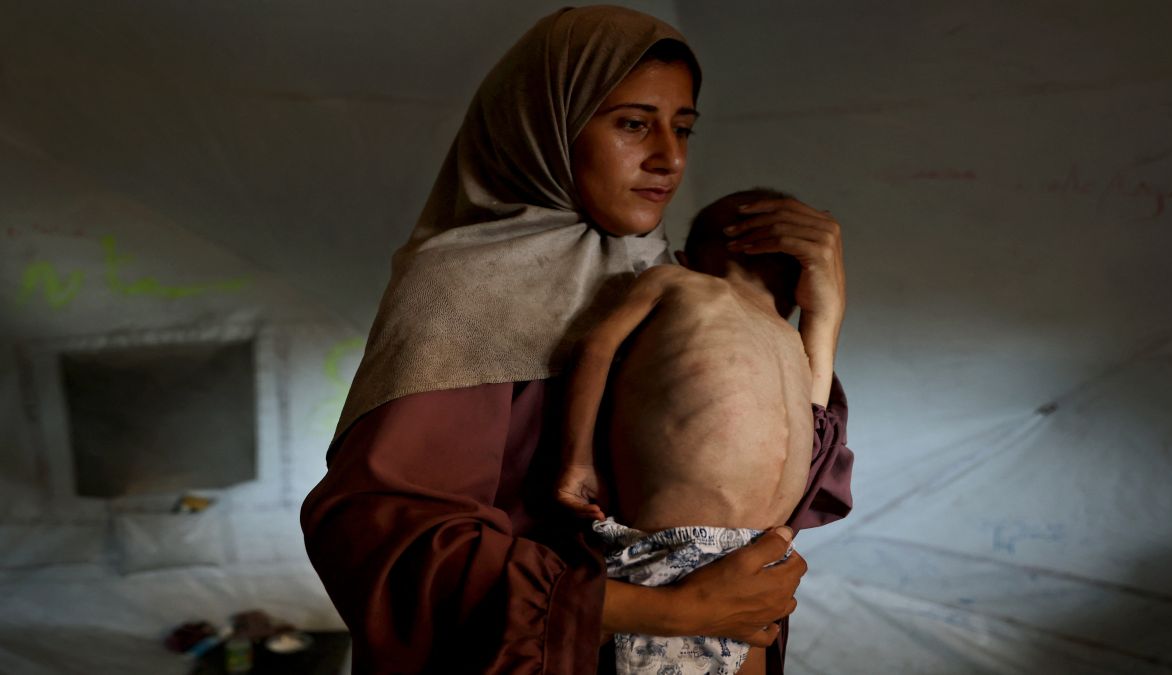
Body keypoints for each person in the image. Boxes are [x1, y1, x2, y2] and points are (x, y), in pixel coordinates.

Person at [299, 6, 853, 674]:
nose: (668, 158)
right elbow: (386, 543)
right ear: (546, 125)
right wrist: (671, 612)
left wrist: (822, 318)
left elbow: (775, 493)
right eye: (631, 123)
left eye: (683, 128)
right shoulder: (460, 289)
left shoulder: (668, 280)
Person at [556, 188, 835, 675]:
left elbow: (817, 417)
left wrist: (825, 314)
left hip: (757, 563)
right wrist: (578, 460)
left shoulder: (788, 335)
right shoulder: (678, 284)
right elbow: (596, 348)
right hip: (668, 554)